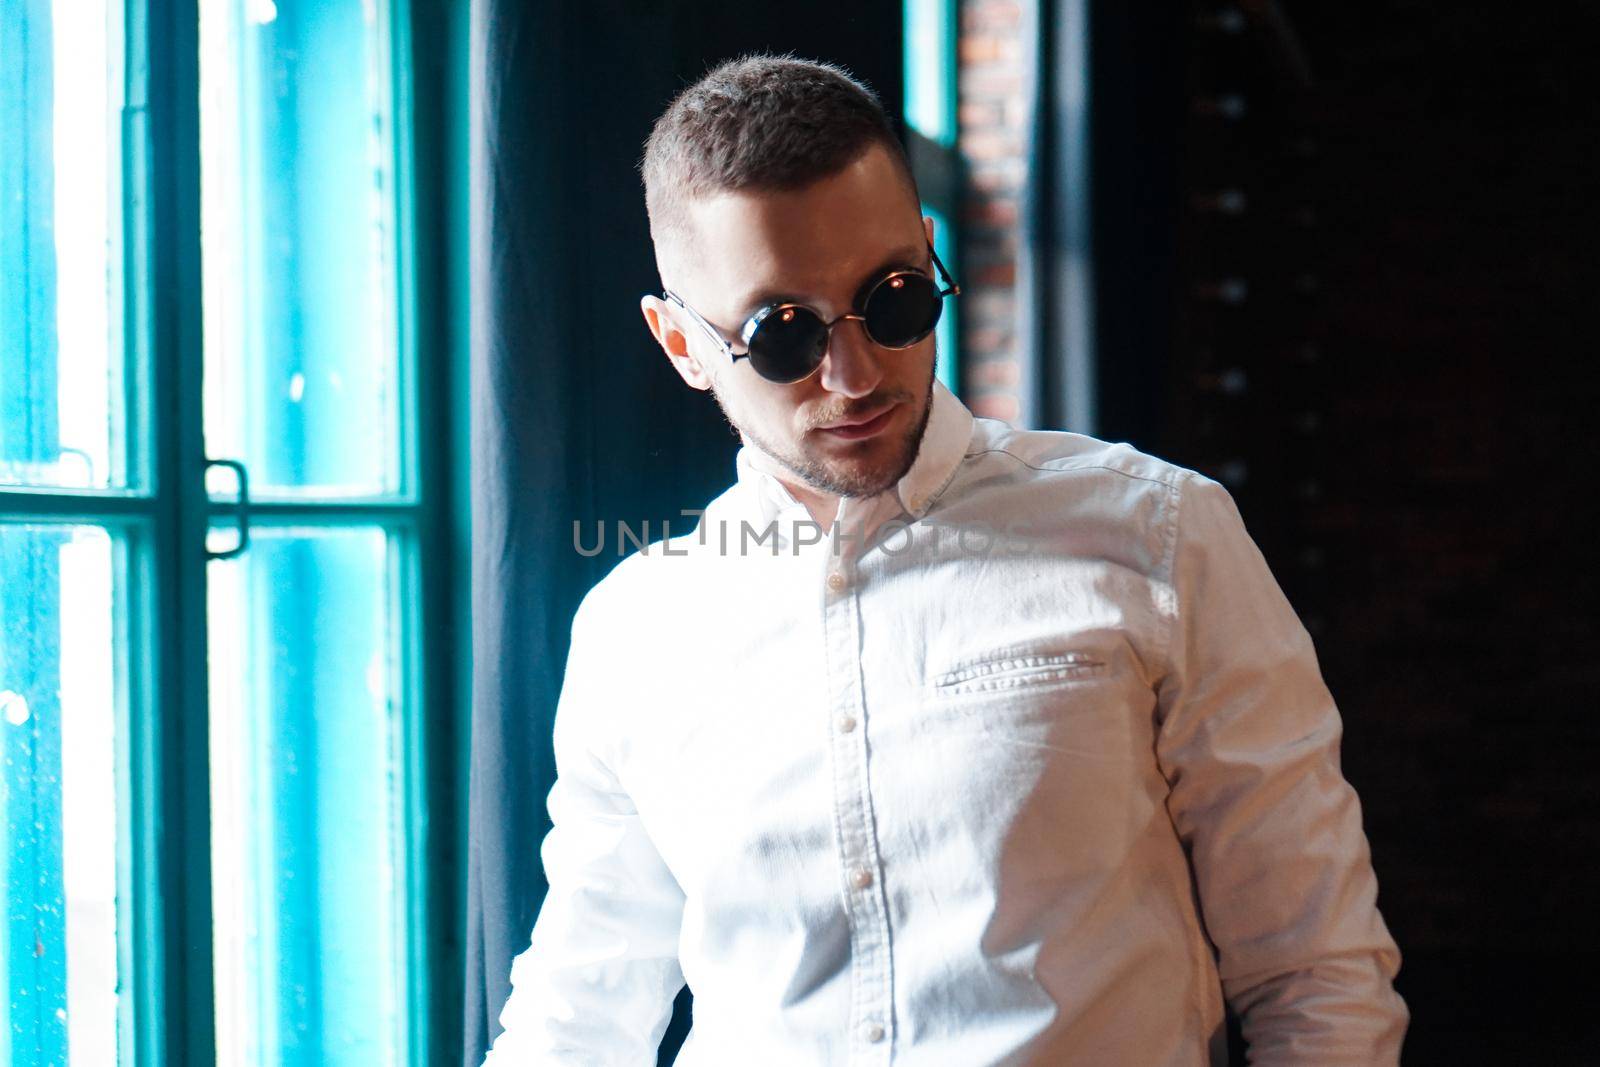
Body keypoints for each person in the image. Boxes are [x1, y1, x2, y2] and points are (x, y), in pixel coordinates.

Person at [483, 52, 1408, 1065]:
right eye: (782, 335)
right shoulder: (636, 628)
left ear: (928, 256)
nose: (855, 372)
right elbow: (581, 1006)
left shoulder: (1161, 535)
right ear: (682, 343)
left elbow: (1312, 970)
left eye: (892, 300)